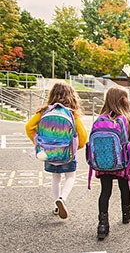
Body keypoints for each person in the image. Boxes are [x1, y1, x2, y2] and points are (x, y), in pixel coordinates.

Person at [25, 82, 87, 219]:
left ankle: (55, 206)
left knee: (55, 178)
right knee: (70, 177)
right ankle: (62, 198)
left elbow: (29, 127)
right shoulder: (72, 113)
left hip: (48, 152)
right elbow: (83, 135)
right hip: (67, 153)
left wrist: (39, 142)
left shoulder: (44, 111)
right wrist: (76, 147)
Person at [94, 86, 130, 240]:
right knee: (124, 187)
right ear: (124, 101)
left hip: (103, 161)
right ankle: (126, 214)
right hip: (122, 161)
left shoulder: (100, 118)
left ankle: (102, 225)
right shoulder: (129, 119)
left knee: (105, 191)